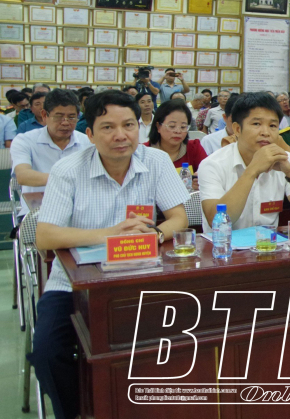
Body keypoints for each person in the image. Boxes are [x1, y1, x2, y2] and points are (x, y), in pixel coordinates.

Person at [30, 90, 188, 419]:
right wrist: (110, 233)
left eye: (128, 125)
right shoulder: (68, 169)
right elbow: (45, 236)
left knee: (180, 339)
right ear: (89, 134)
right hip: (74, 285)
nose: (120, 135)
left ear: (139, 128)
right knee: (47, 351)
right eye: (108, 127)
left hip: (140, 275)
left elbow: (179, 218)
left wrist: (156, 235)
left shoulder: (156, 161)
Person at [198, 91, 290, 232]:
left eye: (272, 126)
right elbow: (216, 220)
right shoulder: (212, 164)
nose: (265, 132)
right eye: (256, 124)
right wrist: (252, 170)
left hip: (268, 242)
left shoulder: (285, 158)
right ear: (237, 129)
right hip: (224, 244)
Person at [11, 88, 90, 217]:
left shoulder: (88, 143)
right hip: (37, 212)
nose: (65, 123)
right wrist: (67, 179)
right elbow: (23, 175)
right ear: (44, 115)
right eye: (58, 117)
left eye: (71, 117)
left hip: (79, 211)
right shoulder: (25, 140)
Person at [144, 100, 207, 186]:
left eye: (183, 127)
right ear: (158, 126)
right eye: (172, 126)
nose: (178, 131)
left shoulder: (194, 148)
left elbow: (209, 173)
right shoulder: (144, 152)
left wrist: (200, 180)